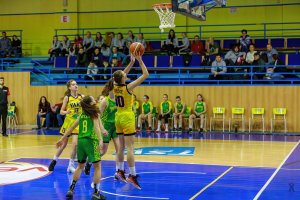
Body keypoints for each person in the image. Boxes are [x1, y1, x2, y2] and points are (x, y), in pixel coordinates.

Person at [56, 95, 107, 200]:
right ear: (90, 103)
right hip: (90, 141)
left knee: (80, 166)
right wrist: (101, 140)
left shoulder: (82, 114)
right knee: (97, 166)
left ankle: (71, 189)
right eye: (94, 99)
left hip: (81, 142)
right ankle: (96, 192)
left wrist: (62, 139)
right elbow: (97, 127)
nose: (95, 100)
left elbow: (71, 127)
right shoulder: (94, 113)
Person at [113, 53, 149, 189]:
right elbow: (146, 75)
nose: (125, 74)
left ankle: (120, 171)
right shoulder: (128, 87)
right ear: (123, 78)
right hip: (127, 117)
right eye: (124, 74)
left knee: (121, 147)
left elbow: (119, 74)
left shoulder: (115, 85)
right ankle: (132, 175)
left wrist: (130, 63)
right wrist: (139, 61)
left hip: (118, 117)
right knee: (130, 148)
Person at [48, 80, 83, 173]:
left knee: (75, 144)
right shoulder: (67, 98)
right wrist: (66, 112)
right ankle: (54, 160)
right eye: (73, 84)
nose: (76, 85)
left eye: (76, 84)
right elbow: (61, 112)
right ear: (69, 87)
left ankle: (71, 165)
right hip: (68, 123)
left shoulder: (81, 97)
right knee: (63, 145)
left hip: (77, 124)